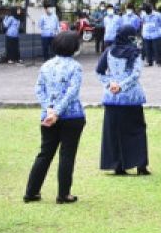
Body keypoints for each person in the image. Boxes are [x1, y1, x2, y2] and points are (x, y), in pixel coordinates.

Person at [24, 31, 86, 204]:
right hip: (72, 116)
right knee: (67, 155)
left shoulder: (46, 66)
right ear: (74, 47)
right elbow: (72, 92)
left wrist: (50, 110)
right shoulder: (76, 67)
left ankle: (31, 192)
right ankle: (63, 194)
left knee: (44, 154)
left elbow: (39, 89)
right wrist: (58, 112)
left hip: (48, 117)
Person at [97, 25, 150, 176]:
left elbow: (99, 71)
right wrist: (122, 86)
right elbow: (136, 74)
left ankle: (117, 165)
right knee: (136, 130)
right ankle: (140, 164)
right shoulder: (135, 52)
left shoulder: (108, 51)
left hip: (112, 97)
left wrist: (110, 84)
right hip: (131, 97)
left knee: (113, 132)